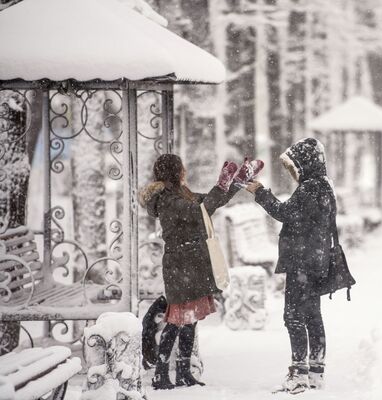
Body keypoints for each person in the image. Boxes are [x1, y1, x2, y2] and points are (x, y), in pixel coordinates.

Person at [139, 154, 263, 390]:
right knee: (176, 321)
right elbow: (202, 210)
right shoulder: (167, 199)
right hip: (180, 266)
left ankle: (184, 371)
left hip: (191, 265)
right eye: (181, 168)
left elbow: (211, 203)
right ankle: (161, 374)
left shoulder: (180, 193)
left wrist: (234, 183)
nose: (184, 171)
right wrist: (222, 183)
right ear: (176, 171)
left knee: (190, 321)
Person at [246, 138, 336, 394]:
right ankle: (316, 371)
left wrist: (260, 192)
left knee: (294, 315)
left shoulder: (309, 188)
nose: (294, 171)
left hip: (302, 262)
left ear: (305, 162)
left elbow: (284, 213)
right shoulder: (324, 186)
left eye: (295, 165)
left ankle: (299, 374)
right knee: (312, 315)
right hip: (316, 259)